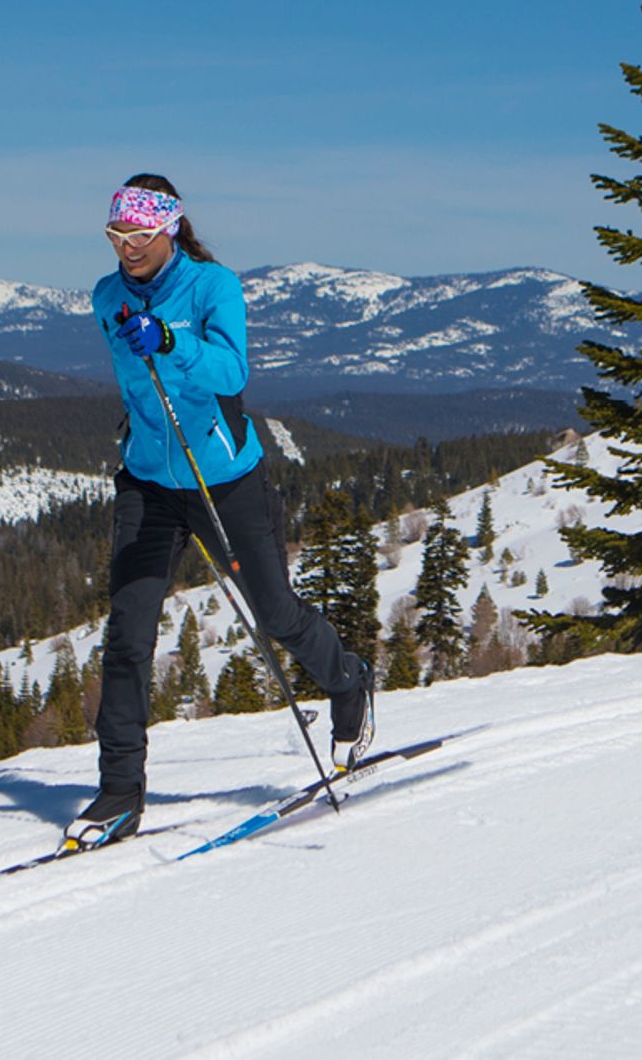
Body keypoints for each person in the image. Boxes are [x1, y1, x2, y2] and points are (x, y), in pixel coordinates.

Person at [68, 174, 374, 850]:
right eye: (116, 236)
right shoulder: (106, 297)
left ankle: (349, 683)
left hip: (226, 479)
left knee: (275, 613)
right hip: (148, 481)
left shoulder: (214, 287)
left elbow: (233, 374)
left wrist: (173, 343)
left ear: (170, 229)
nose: (127, 248)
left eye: (140, 235)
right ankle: (119, 791)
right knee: (127, 635)